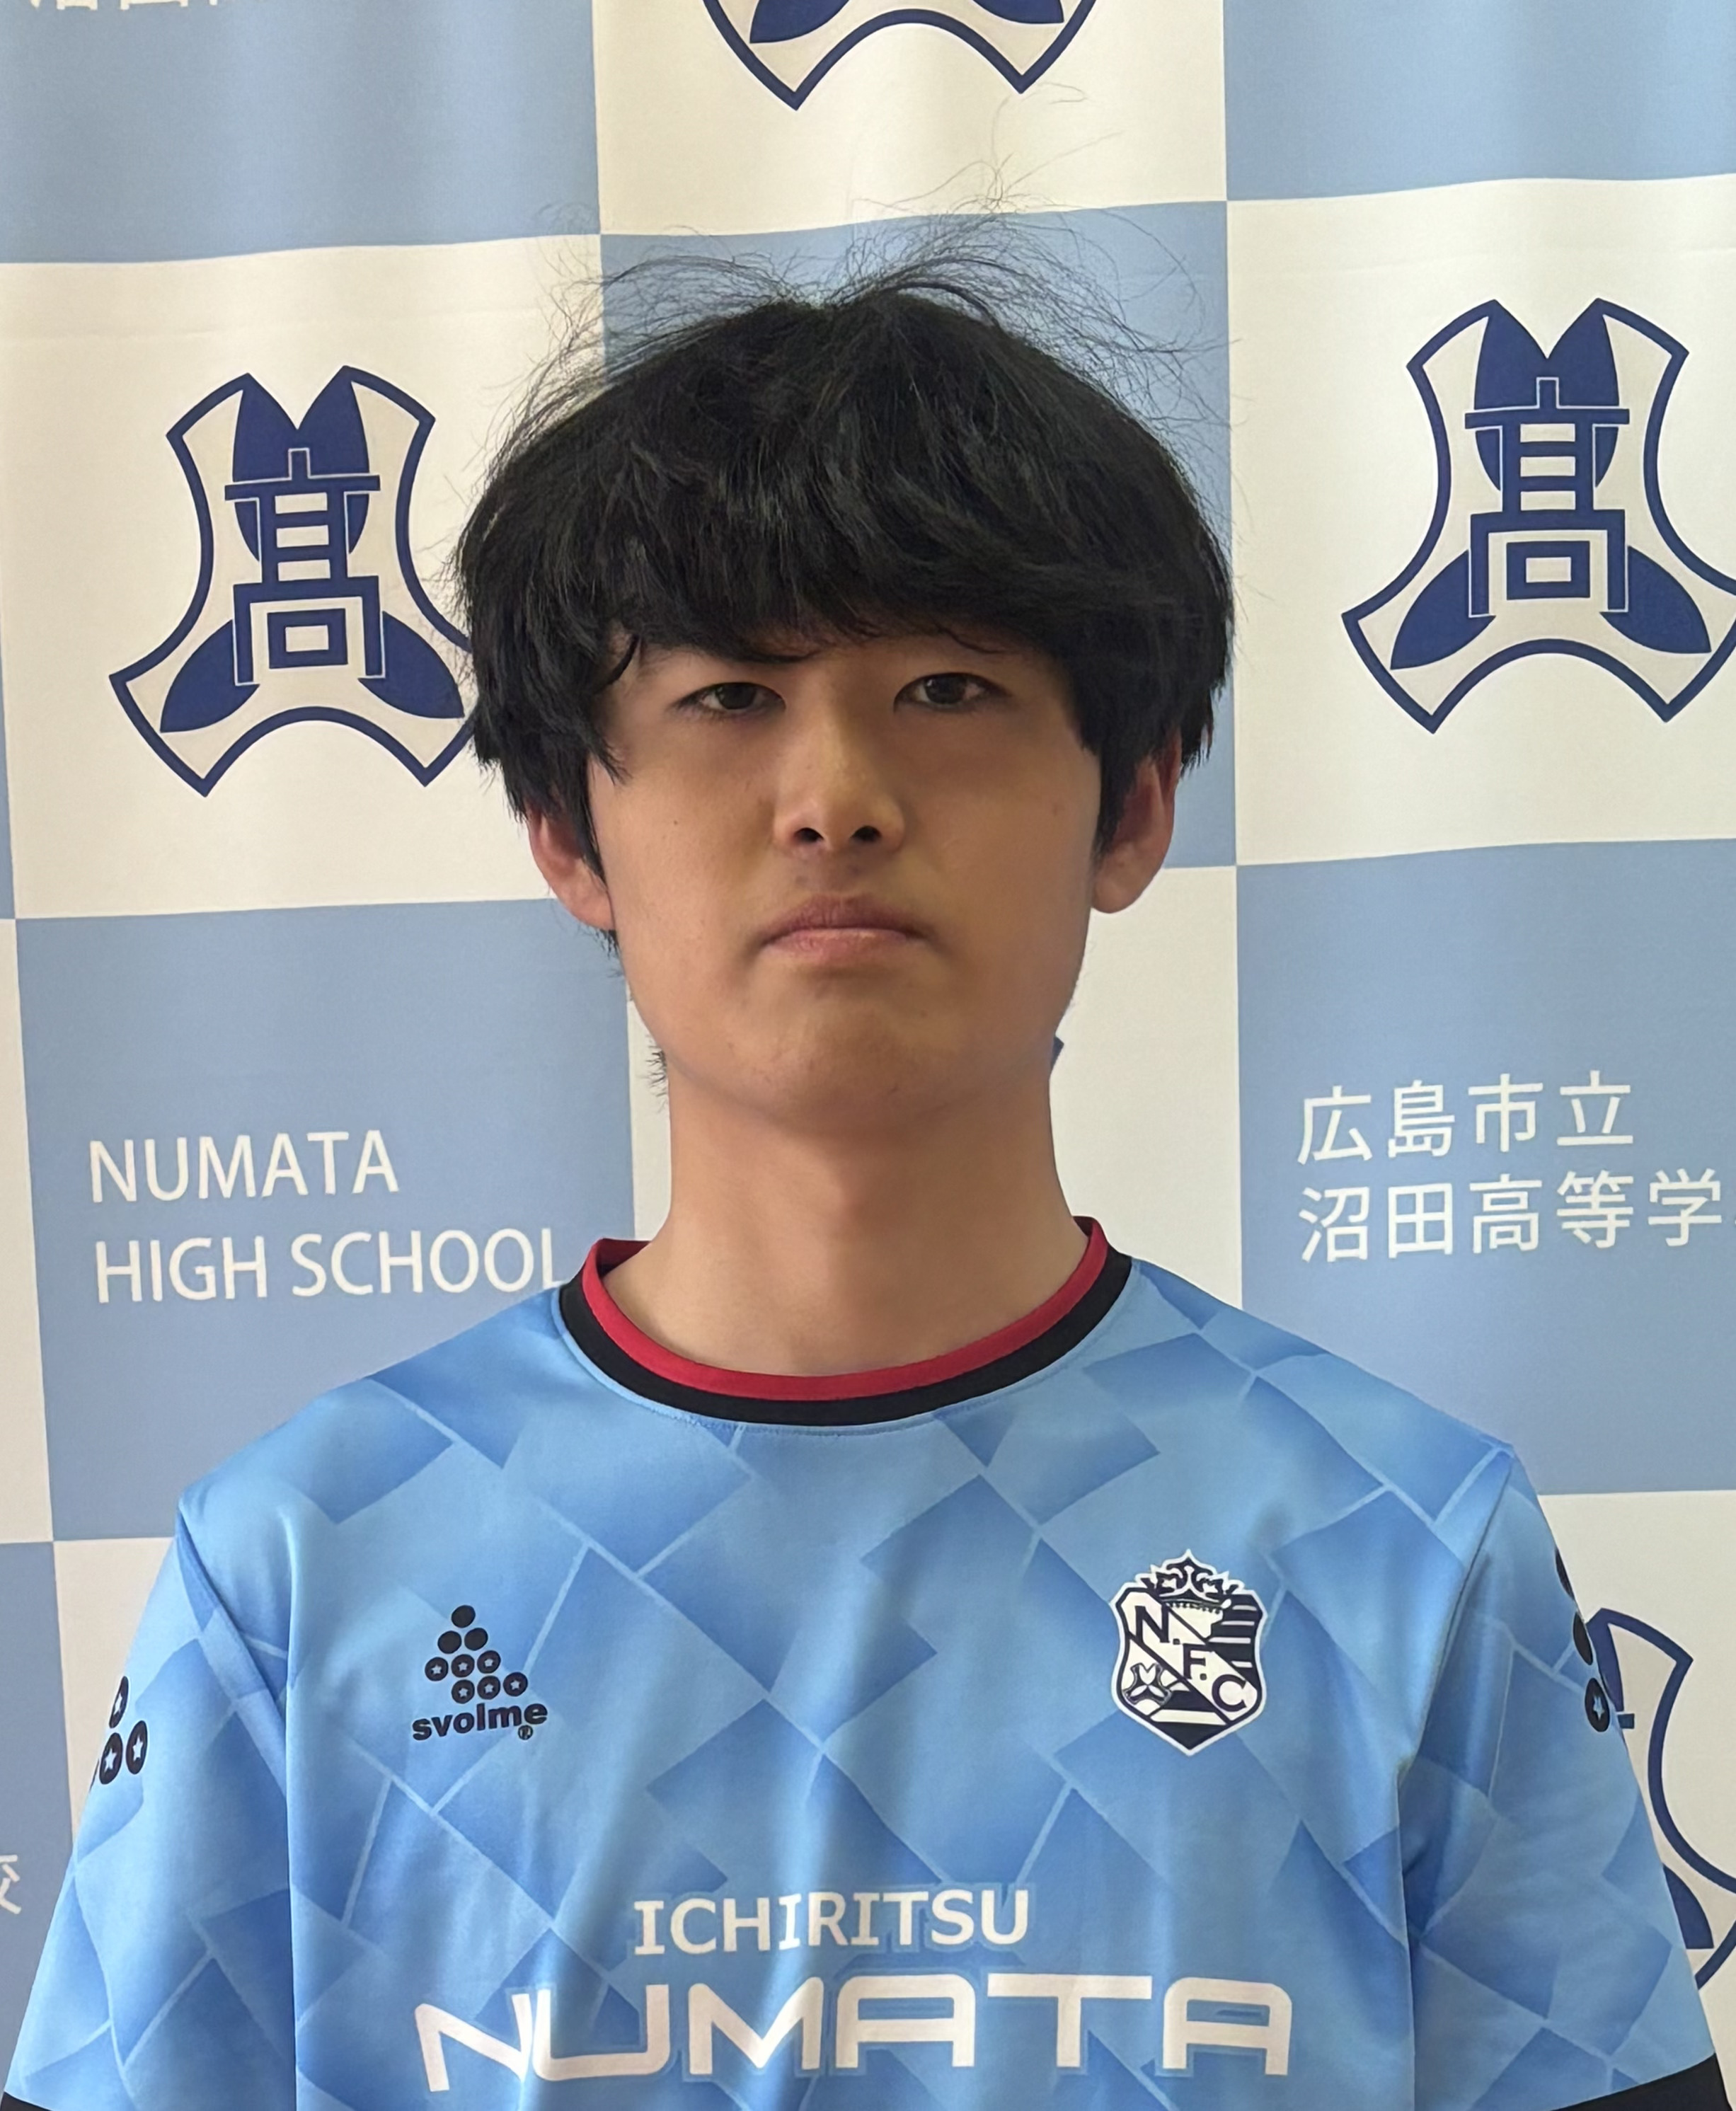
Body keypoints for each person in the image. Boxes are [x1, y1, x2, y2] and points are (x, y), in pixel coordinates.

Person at [6, 253, 1726, 2111]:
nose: (836, 794)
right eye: (731, 697)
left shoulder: (1397, 1542)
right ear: (569, 832)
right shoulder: (306, 1562)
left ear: (1136, 805)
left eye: (946, 687)